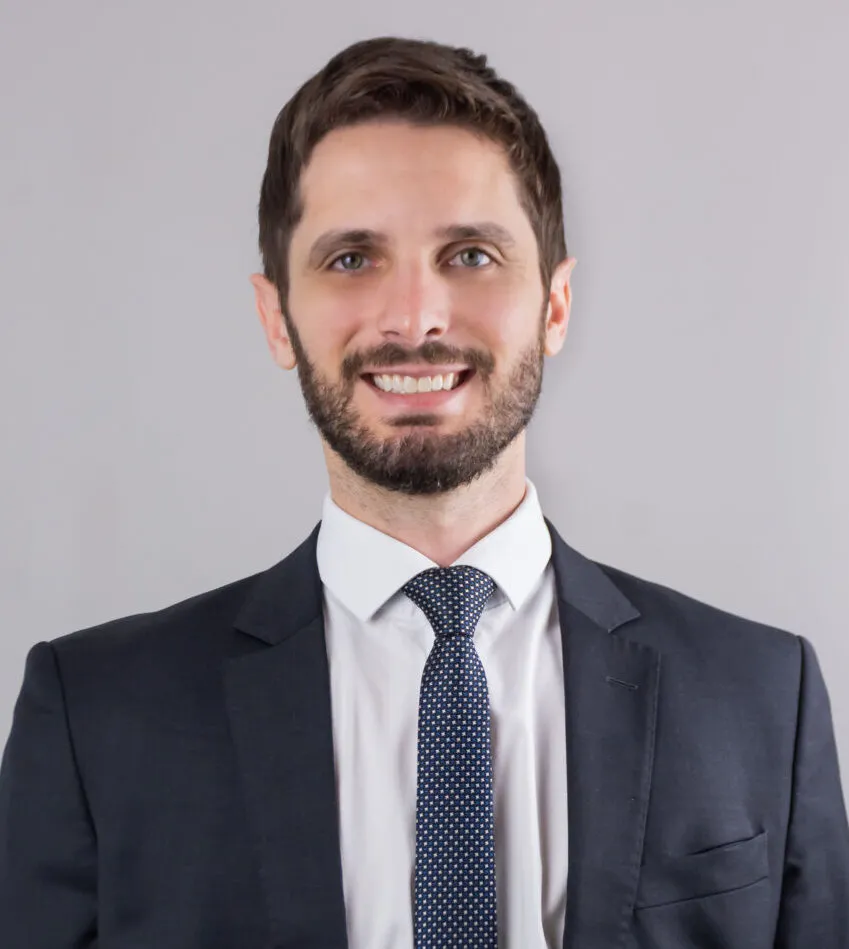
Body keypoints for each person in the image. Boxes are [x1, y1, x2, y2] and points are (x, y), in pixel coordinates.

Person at [1, 34, 847, 949]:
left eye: (471, 254)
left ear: (554, 304)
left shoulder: (763, 696)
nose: (414, 318)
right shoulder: (96, 717)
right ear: (276, 318)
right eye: (350, 259)